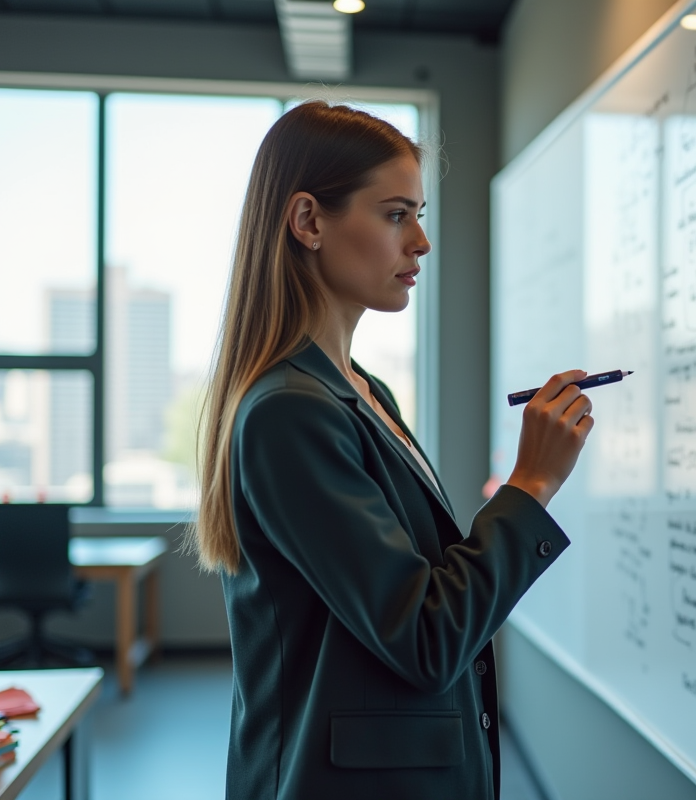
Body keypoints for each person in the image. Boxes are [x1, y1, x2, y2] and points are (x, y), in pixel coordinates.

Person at [187, 101, 595, 800]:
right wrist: (530, 486)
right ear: (309, 222)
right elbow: (424, 636)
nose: (423, 244)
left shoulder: (361, 391)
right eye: (396, 214)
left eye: (420, 213)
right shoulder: (291, 412)